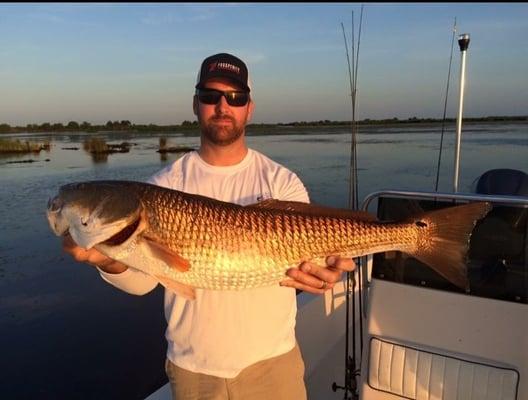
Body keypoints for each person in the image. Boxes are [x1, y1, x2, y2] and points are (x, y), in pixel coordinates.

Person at [63, 52, 355, 400]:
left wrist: (325, 273)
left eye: (236, 97)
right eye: (210, 96)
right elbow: (144, 282)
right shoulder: (165, 185)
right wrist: (107, 260)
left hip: (273, 366)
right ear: (195, 104)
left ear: (250, 107)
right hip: (193, 371)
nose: (222, 106)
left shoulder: (282, 182)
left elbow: (308, 265)